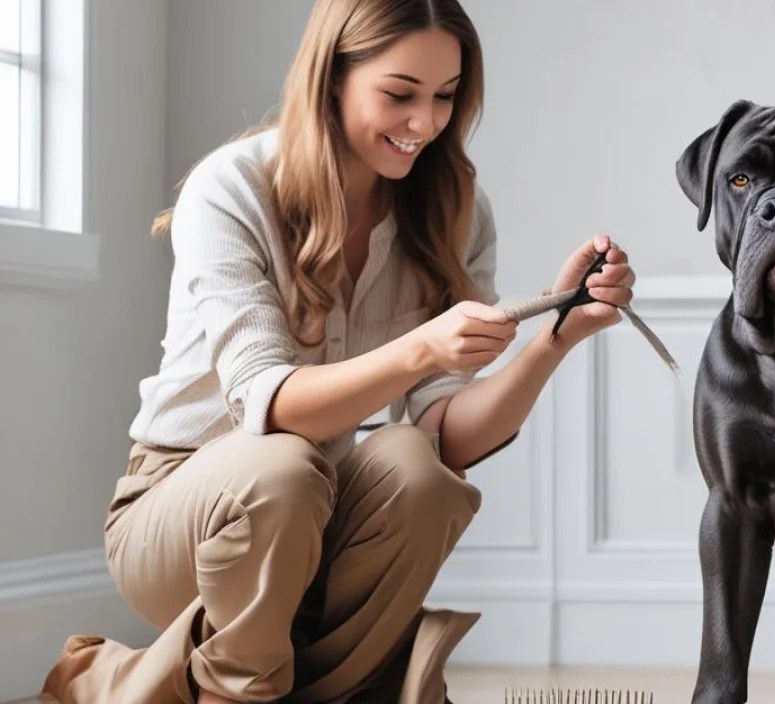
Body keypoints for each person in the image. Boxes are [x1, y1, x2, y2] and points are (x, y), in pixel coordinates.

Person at [40, 0, 635, 702]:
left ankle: (172, 684)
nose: (425, 123)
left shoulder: (456, 211)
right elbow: (271, 405)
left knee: (416, 467)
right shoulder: (232, 188)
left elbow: (448, 434)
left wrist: (556, 337)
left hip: (313, 511)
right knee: (282, 468)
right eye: (399, 94)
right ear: (332, 78)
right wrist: (420, 349)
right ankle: (232, 692)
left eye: (445, 96)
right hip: (183, 512)